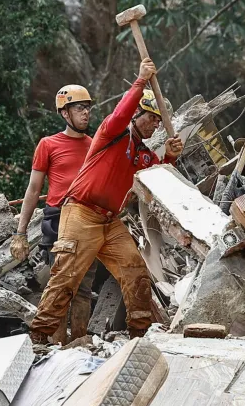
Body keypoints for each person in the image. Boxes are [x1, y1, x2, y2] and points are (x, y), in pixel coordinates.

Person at [28, 57, 183, 344]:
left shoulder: (145, 155)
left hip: (110, 221)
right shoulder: (112, 132)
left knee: (135, 270)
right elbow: (121, 112)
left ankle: (140, 336)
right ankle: (39, 337)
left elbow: (159, 181)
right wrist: (140, 82)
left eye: (158, 121)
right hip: (80, 213)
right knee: (66, 277)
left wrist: (170, 156)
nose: (154, 125)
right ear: (136, 114)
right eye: (150, 117)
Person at [10, 84, 96, 343]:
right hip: (58, 219)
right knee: (60, 287)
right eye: (80, 108)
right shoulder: (48, 145)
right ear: (65, 113)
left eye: (88, 108)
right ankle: (57, 346)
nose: (86, 113)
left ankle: (79, 345)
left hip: (87, 221)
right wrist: (20, 233)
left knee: (83, 288)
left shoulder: (93, 145)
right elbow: (34, 189)